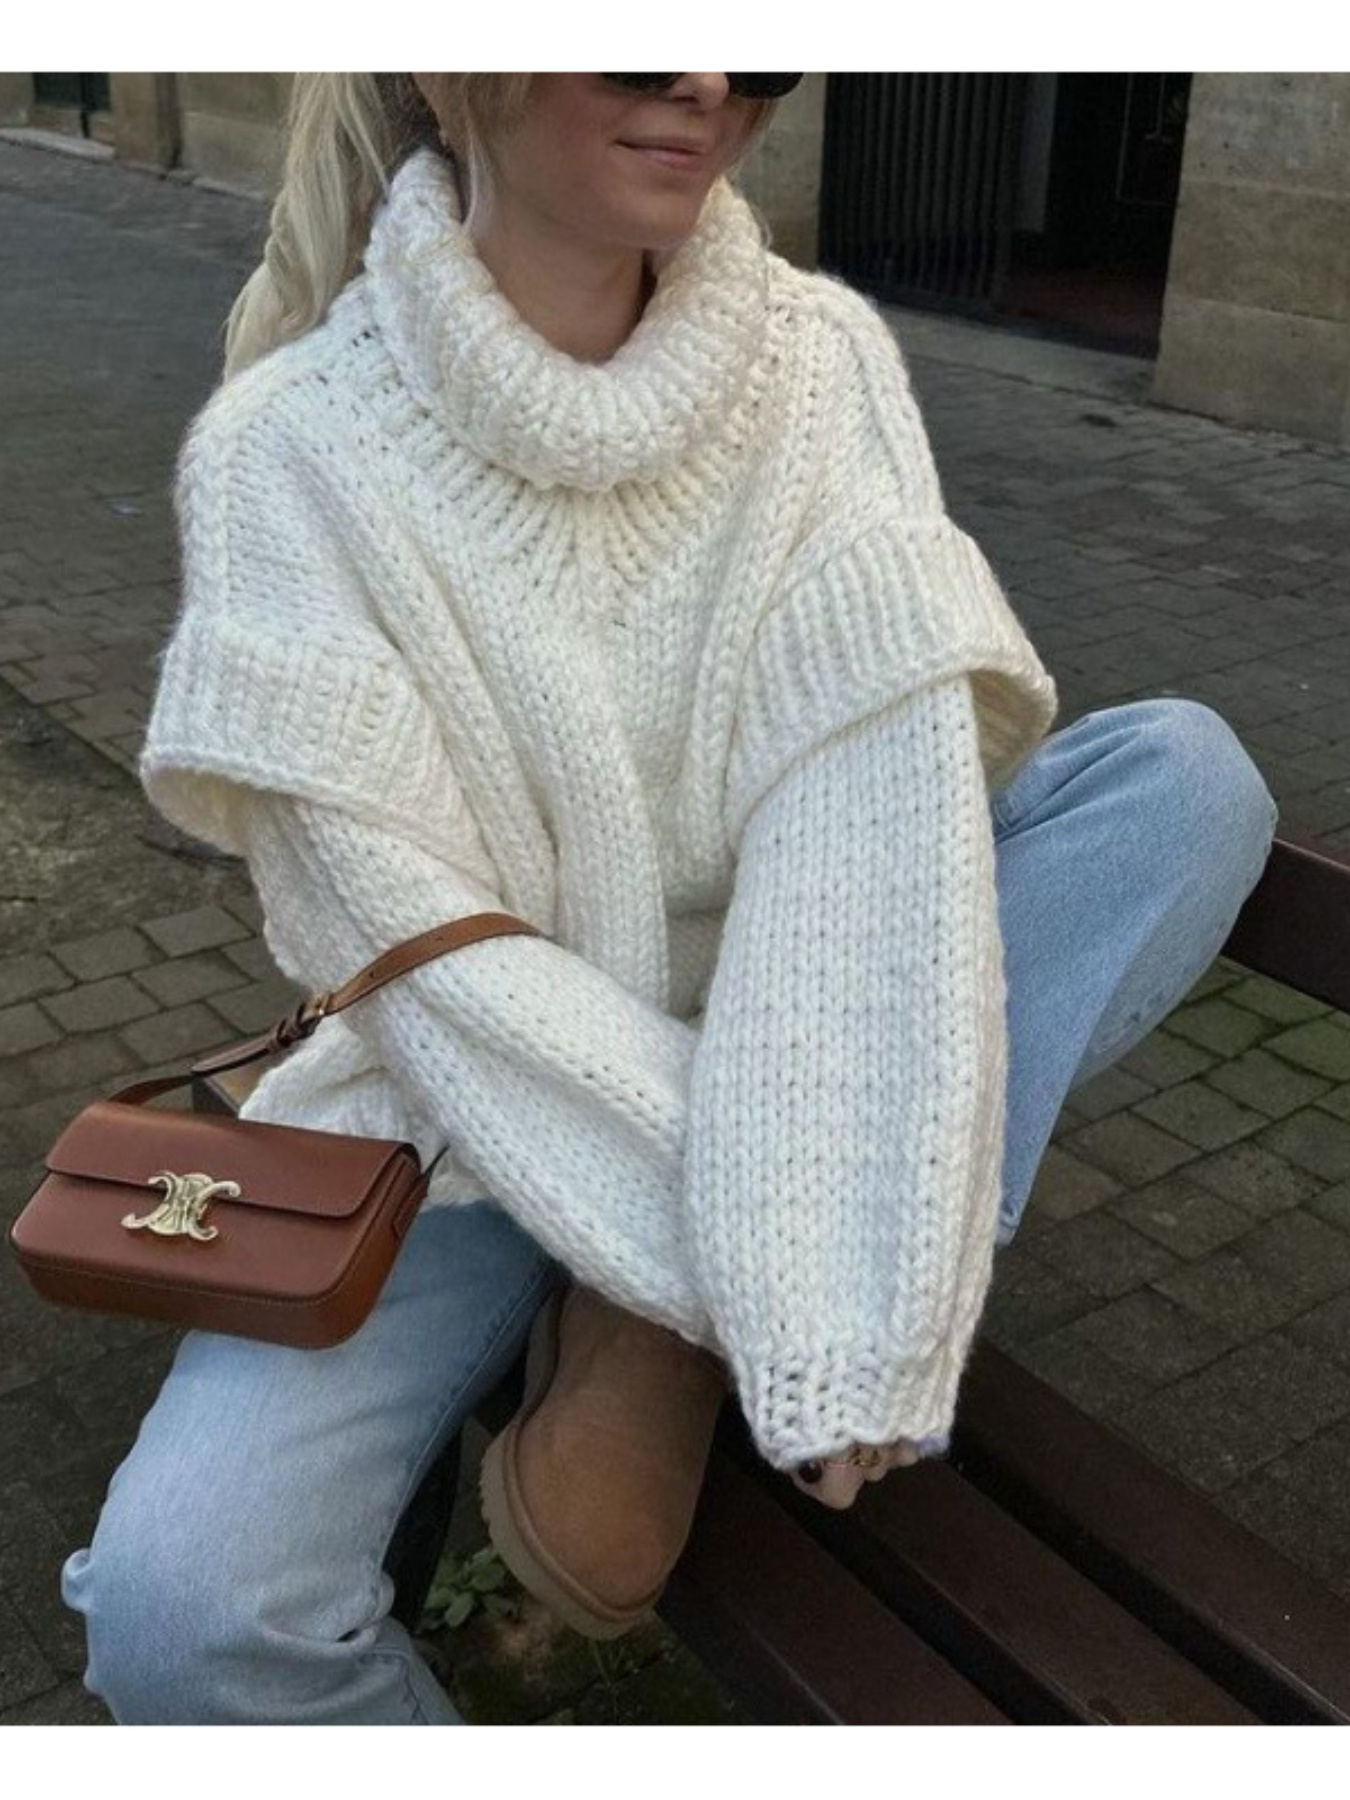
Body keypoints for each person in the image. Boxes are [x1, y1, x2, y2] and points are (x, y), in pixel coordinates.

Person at [60, 73, 1278, 1723]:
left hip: (800, 1033)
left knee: (1180, 776)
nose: (705, 79)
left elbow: (870, 813)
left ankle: (690, 1320)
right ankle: (683, 1301)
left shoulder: (821, 362)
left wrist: (825, 1256)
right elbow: (408, 945)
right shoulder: (284, 449)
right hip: (463, 1101)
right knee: (182, 1612)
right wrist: (724, 1242)